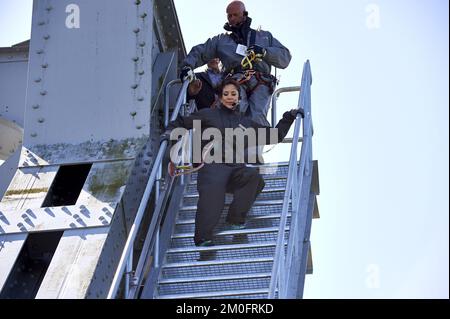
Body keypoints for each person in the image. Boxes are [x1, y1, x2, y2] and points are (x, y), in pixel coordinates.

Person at [162, 79, 303, 247]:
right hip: (212, 167)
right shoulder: (208, 114)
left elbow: (274, 135)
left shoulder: (244, 124)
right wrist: (169, 134)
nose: (230, 97)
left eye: (233, 94)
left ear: (238, 98)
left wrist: (289, 117)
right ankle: (203, 238)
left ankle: (235, 219)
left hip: (235, 168)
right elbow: (182, 123)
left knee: (254, 178)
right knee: (212, 198)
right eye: (226, 94)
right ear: (221, 98)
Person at [179, 1, 291, 127]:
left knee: (256, 118)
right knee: (232, 108)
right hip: (236, 79)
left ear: (244, 14)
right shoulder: (222, 41)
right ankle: (229, 142)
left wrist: (264, 52)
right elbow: (201, 51)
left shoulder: (264, 37)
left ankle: (250, 143)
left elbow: (285, 57)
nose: (231, 18)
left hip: (261, 81)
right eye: (229, 16)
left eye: (235, 15)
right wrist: (187, 66)